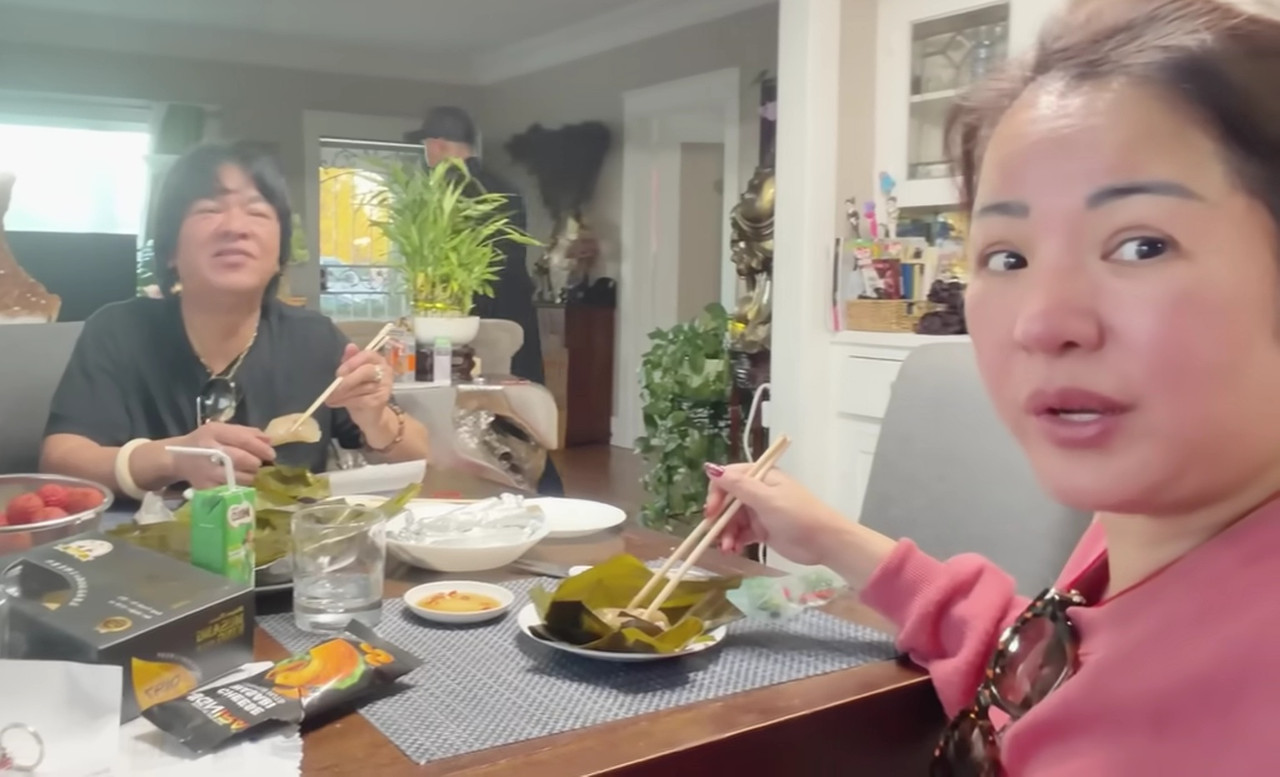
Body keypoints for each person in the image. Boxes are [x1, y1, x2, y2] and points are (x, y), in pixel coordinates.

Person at [704, 1, 1280, 774]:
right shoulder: (1157, 525)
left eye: (1142, 245)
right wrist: (831, 536)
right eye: (1007, 257)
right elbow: (1047, 676)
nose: (1043, 322)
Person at [41, 141, 429, 496]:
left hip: (288, 547)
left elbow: (419, 457)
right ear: (171, 249)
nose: (235, 227)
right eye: (209, 210)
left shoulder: (314, 340)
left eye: (257, 212)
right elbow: (61, 460)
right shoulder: (120, 331)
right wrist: (173, 458)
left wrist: (375, 417)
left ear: (278, 254)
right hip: (149, 546)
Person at [407, 106, 565, 496]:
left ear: (438, 145)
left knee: (463, 411)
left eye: (427, 147)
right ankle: (543, 491)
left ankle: (473, 489)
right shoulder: (506, 187)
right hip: (515, 314)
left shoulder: (447, 191)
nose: (427, 157)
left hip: (467, 317)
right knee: (518, 409)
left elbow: (452, 267)